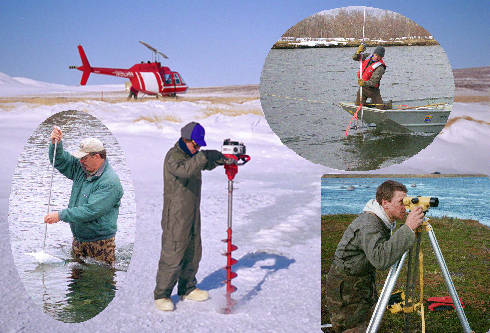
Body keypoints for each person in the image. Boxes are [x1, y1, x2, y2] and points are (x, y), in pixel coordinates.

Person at [325, 180, 425, 332]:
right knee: (352, 328)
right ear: (385, 203)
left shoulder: (382, 219)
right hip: (346, 288)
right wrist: (408, 228)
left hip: (363, 282)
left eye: (407, 201)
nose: (405, 207)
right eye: (401, 202)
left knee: (370, 325)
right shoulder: (369, 224)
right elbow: (380, 259)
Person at [154, 121, 227, 311]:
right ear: (185, 139)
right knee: (174, 252)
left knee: (193, 250)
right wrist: (202, 156)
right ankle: (162, 294)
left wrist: (221, 158)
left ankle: (187, 288)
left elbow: (204, 163)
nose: (198, 148)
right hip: (176, 215)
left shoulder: (192, 155)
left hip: (193, 212)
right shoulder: (174, 156)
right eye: (196, 144)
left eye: (200, 145)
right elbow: (184, 170)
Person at [44, 127, 124, 267]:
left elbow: (90, 211)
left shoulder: (110, 182)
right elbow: (60, 161)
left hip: (100, 244)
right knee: (76, 283)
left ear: (97, 157)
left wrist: (61, 215)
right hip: (79, 240)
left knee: (98, 282)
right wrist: (56, 144)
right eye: (80, 158)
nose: (81, 161)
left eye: (84, 158)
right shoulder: (82, 168)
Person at [353, 44, 391, 109]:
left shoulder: (380, 67)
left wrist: (364, 83)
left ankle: (388, 104)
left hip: (373, 90)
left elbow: (373, 82)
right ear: (373, 54)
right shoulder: (367, 56)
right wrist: (358, 52)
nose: (376, 57)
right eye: (376, 55)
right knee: (358, 106)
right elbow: (355, 58)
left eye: (379, 56)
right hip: (363, 88)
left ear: (381, 57)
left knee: (381, 108)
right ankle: (369, 104)